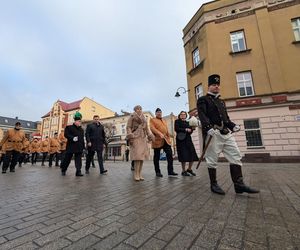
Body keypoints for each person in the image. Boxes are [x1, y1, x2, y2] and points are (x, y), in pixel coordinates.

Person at [197, 74, 259, 195]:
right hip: (213, 133)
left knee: (235, 155)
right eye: (214, 85)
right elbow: (202, 115)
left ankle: (239, 185)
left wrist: (232, 125)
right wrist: (207, 127)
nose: (216, 87)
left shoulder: (221, 101)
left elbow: (226, 118)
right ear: (209, 86)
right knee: (212, 159)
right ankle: (213, 184)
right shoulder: (203, 100)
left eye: (218, 85)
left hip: (226, 133)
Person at [126, 105, 153, 181]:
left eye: (140, 108)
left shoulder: (144, 118)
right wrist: (130, 136)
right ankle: (136, 174)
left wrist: (149, 135)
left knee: (141, 158)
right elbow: (128, 127)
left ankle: (140, 174)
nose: (139, 110)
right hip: (135, 137)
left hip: (143, 138)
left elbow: (147, 128)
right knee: (137, 157)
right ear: (135, 110)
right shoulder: (132, 117)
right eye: (137, 109)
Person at [150, 108, 178, 177]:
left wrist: (169, 138)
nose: (159, 113)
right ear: (156, 113)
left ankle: (170, 171)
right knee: (156, 156)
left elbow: (166, 130)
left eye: (160, 112)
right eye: (158, 112)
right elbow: (152, 128)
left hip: (165, 140)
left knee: (170, 154)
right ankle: (157, 172)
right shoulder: (152, 120)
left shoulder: (164, 120)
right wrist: (159, 133)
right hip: (157, 140)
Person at [175, 111, 199, 176]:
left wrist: (192, 129)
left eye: (184, 114)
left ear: (186, 115)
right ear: (179, 115)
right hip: (181, 141)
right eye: (181, 114)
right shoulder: (177, 121)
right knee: (183, 156)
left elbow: (190, 131)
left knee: (192, 154)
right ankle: (183, 171)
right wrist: (185, 129)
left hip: (188, 140)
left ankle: (189, 169)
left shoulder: (188, 122)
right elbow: (176, 129)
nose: (183, 115)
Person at [61, 112, 85, 176]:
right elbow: (66, 134)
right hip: (71, 146)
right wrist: (72, 138)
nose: (80, 122)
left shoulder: (81, 130)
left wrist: (83, 147)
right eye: (79, 121)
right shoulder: (69, 127)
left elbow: (82, 139)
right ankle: (63, 170)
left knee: (78, 160)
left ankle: (78, 171)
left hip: (79, 147)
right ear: (75, 121)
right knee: (67, 159)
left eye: (80, 121)